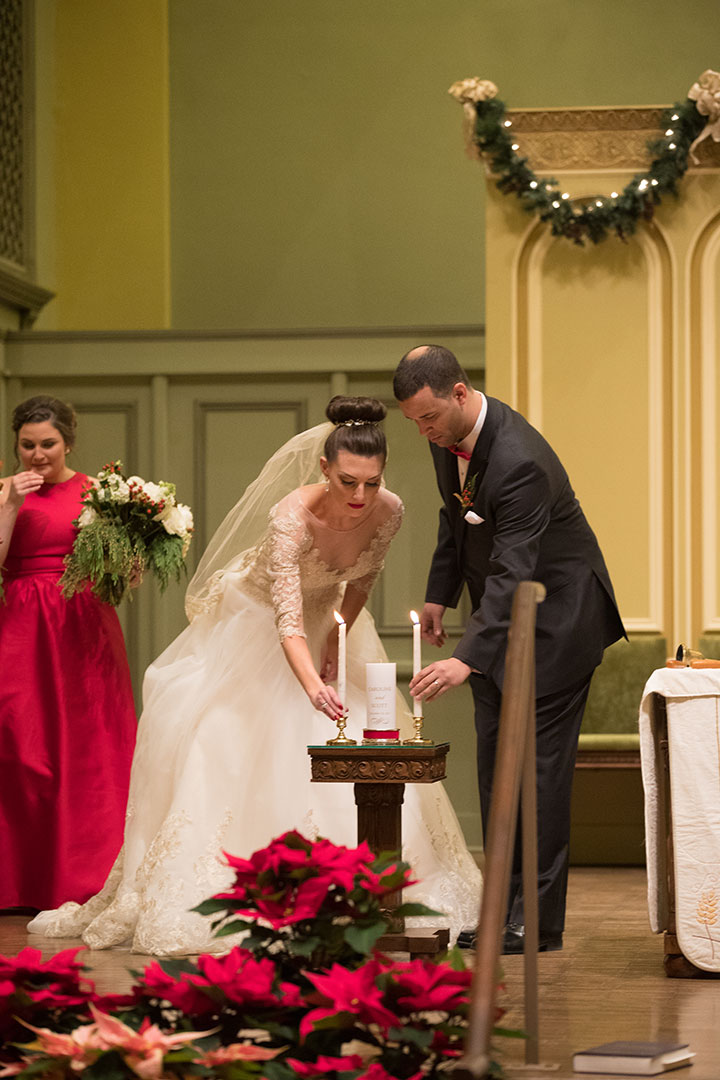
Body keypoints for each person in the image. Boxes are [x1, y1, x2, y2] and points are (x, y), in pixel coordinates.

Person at [28, 396, 481, 955]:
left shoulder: (389, 510)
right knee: (229, 736)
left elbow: (363, 578)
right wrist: (312, 685)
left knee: (364, 741)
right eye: (347, 482)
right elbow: (286, 619)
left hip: (328, 620)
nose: (360, 496)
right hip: (258, 620)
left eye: (372, 482)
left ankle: (371, 892)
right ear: (324, 468)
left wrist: (337, 638)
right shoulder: (291, 515)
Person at [393, 346, 625, 954]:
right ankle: (502, 909)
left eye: (428, 417)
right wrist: (439, 595)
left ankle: (537, 920)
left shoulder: (521, 461)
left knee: (537, 777)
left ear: (460, 393)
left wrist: (467, 657)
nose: (423, 432)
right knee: (497, 772)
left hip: (557, 626)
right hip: (501, 627)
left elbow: (512, 570)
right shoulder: (448, 437)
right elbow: (455, 520)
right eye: (414, 421)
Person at [0, 396, 137, 912]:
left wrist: (129, 562)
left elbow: (121, 572)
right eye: (27, 445)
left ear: (68, 443)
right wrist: (10, 504)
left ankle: (86, 877)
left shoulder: (97, 494)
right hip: (20, 626)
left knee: (86, 745)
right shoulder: (4, 492)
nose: (37, 454)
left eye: (48, 444)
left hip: (82, 625)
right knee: (21, 745)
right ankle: (19, 881)